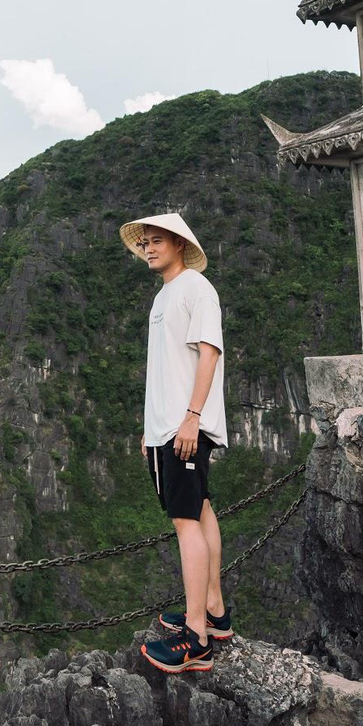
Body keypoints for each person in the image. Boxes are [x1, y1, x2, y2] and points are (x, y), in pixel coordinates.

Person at [123, 211, 230, 673]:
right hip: (167, 427)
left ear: (180, 245)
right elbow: (164, 371)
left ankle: (196, 639)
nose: (148, 248)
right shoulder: (164, 295)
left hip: (187, 427)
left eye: (157, 241)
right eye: (144, 242)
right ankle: (215, 613)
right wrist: (153, 427)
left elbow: (209, 354)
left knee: (186, 521)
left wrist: (192, 418)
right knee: (200, 509)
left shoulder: (196, 290)